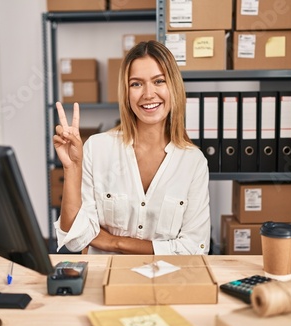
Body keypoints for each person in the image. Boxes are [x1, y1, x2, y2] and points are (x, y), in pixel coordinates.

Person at [53, 40, 211, 255]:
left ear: (174, 87)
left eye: (159, 81)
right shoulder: (98, 149)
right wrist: (72, 169)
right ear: (126, 93)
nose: (148, 94)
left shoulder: (193, 162)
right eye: (136, 84)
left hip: (167, 281)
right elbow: (75, 238)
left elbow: (195, 247)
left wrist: (114, 243)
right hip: (106, 279)